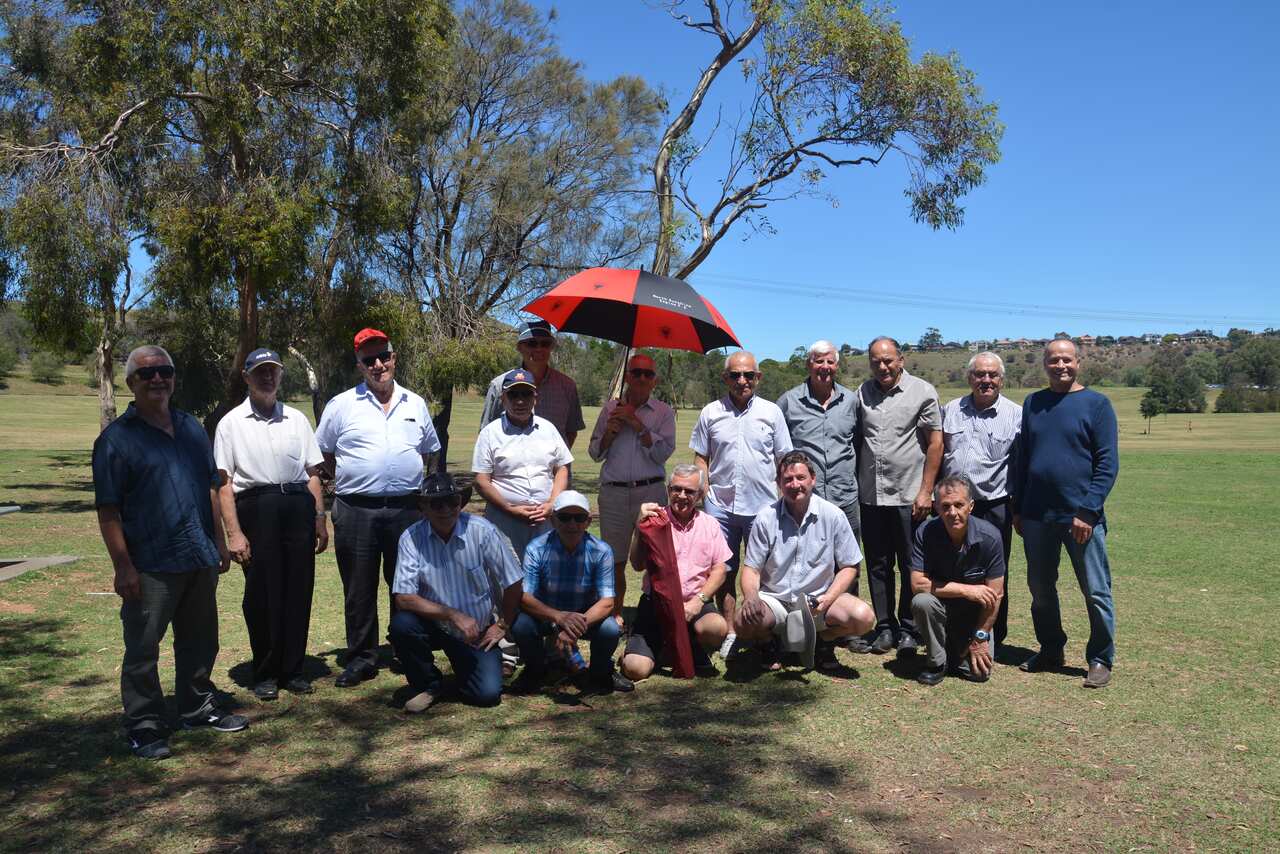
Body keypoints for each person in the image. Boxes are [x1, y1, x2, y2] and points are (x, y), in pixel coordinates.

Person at [93, 345, 247, 760]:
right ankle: (144, 724)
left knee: (200, 641)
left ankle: (196, 705)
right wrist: (123, 566)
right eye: (147, 374)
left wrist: (218, 540)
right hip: (150, 563)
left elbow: (211, 487)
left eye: (165, 371)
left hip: (197, 554)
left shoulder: (191, 428)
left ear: (174, 378)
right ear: (131, 384)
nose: (158, 379)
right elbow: (108, 510)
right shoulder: (116, 441)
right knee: (143, 647)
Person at [315, 328, 441, 688]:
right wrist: (343, 479)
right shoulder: (341, 405)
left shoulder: (415, 403)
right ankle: (362, 658)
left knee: (407, 584)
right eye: (369, 359)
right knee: (359, 587)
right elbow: (322, 451)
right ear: (359, 365)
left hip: (407, 508)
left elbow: (430, 450)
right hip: (355, 509)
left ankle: (407, 648)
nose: (378, 364)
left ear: (394, 357)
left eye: (383, 356)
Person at [214, 348, 328, 700]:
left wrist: (320, 519)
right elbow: (224, 484)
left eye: (273, 371)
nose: (267, 377)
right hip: (256, 508)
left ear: (280, 375)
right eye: (260, 371)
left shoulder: (296, 419)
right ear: (246, 377)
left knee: (298, 589)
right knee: (262, 594)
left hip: (297, 507)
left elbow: (312, 475)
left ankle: (292, 669)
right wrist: (233, 533)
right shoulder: (230, 423)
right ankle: (264, 671)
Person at [1012, 339, 1119, 689]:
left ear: (1078, 362)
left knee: (1096, 591)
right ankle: (1050, 648)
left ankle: (1100, 659)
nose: (1061, 365)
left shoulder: (1097, 405)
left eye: (1067, 360)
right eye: (1054, 360)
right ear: (1044, 363)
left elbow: (1107, 464)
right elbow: (1023, 458)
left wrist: (1088, 511)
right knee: (1040, 588)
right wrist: (1018, 508)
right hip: (1037, 516)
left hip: (1080, 518)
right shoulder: (1034, 403)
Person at [388, 472, 524, 712]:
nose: (446, 509)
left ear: (461, 503)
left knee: (487, 695)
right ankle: (428, 684)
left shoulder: (482, 531)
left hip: (477, 633)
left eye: (452, 502)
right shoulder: (410, 538)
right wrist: (452, 614)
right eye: (436, 504)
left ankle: (472, 669)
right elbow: (403, 598)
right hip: (434, 627)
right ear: (423, 507)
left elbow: (513, 583)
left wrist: (501, 626)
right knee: (402, 625)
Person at [690, 350, 793, 658]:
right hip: (719, 506)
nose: (742, 380)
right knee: (724, 570)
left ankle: (764, 630)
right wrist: (703, 486)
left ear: (758, 378)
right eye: (735, 375)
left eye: (749, 375)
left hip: (763, 506)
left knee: (765, 570)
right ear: (725, 378)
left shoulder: (772, 412)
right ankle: (732, 630)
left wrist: (784, 495)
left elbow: (783, 458)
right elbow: (701, 456)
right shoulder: (711, 412)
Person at [735, 451, 876, 671]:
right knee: (742, 622)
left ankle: (823, 641)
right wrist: (751, 597)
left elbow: (850, 566)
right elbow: (751, 568)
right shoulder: (765, 518)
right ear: (779, 483)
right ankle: (768, 643)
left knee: (863, 617)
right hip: (776, 601)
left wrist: (827, 599)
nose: (794, 484)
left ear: (813, 479)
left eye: (800, 478)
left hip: (817, 603)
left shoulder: (833, 516)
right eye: (787, 479)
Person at [850, 336, 942, 657]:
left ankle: (908, 628)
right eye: (876, 361)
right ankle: (885, 627)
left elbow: (935, 444)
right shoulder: (861, 394)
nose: (883, 366)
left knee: (909, 563)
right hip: (872, 496)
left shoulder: (922, 392)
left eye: (888, 360)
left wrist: (926, 491)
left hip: (909, 496)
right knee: (878, 564)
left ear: (901, 359)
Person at [509, 491, 633, 694]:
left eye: (579, 518)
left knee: (610, 629)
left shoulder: (601, 551)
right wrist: (559, 617)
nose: (572, 524)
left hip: (585, 616)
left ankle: (601, 672)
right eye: (565, 517)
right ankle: (536, 670)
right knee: (521, 624)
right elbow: (525, 597)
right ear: (553, 520)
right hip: (547, 614)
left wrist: (573, 626)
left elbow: (608, 602)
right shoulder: (536, 548)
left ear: (588, 521)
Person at [939, 351, 1021, 648]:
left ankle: (991, 633)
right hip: (953, 506)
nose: (986, 380)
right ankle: (953, 631)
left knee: (994, 571)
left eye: (992, 375)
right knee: (952, 568)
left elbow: (1022, 464)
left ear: (1001, 379)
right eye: (979, 374)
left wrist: (1018, 508)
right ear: (969, 377)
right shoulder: (950, 409)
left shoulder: (1015, 414)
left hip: (993, 505)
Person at [588, 353, 676, 624]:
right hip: (614, 492)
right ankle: (615, 613)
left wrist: (636, 424)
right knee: (614, 558)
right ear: (627, 376)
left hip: (650, 492)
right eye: (635, 372)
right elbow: (594, 452)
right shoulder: (609, 409)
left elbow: (662, 453)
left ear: (654, 381)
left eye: (647, 374)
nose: (640, 378)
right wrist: (611, 433)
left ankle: (655, 613)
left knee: (654, 558)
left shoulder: (663, 412)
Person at [621, 464, 731, 682]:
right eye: (676, 489)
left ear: (700, 495)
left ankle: (687, 642)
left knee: (716, 628)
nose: (682, 496)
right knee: (635, 669)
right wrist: (639, 528)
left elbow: (720, 570)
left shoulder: (710, 524)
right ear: (668, 490)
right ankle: (661, 644)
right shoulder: (655, 519)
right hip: (656, 603)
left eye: (689, 491)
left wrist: (698, 601)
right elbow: (637, 564)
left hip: (694, 602)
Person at [909, 476, 1006, 686]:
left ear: (970, 506)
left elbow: (996, 595)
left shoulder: (991, 538)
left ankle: (956, 649)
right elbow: (918, 584)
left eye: (958, 505)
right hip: (940, 610)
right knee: (921, 601)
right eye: (945, 506)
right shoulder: (924, 533)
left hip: (973, 618)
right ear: (936, 508)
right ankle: (937, 662)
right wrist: (967, 590)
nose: (952, 512)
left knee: (979, 674)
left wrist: (980, 637)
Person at [472, 368, 573, 560]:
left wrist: (552, 503)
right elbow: (481, 480)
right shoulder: (490, 433)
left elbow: (562, 468)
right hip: (505, 521)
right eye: (513, 394)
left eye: (526, 394)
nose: (520, 401)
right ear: (503, 399)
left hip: (545, 521)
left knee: (544, 579)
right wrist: (510, 508)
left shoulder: (548, 429)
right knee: (510, 582)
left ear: (535, 398)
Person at [776, 339, 862, 543]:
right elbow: (776, 448)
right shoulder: (789, 402)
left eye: (830, 362)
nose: (825, 367)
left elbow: (857, 443)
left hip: (845, 498)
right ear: (809, 365)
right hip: (804, 499)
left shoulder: (851, 401)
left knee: (848, 563)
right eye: (819, 361)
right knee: (808, 564)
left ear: (837, 366)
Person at [480, 320, 585, 451]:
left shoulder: (567, 386)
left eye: (545, 343)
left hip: (555, 470)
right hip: (510, 470)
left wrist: (556, 461)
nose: (539, 349)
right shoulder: (499, 385)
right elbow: (486, 433)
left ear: (551, 347)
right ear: (519, 347)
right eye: (532, 343)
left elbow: (571, 431)